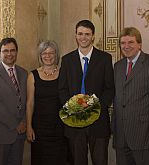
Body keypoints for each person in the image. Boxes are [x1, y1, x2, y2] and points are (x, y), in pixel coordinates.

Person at [58, 19, 115, 165]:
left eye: (87, 34)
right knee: (78, 161)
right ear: (75, 35)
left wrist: (94, 108)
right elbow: (62, 89)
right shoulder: (66, 60)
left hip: (98, 121)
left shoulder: (105, 58)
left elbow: (110, 89)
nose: (83, 37)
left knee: (100, 161)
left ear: (93, 36)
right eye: (80, 34)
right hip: (74, 121)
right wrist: (73, 108)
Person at [112, 27, 149, 165]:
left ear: (139, 44)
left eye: (130, 42)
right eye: (123, 43)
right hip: (121, 135)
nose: (126, 46)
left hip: (144, 134)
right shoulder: (117, 66)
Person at [0, 37, 27, 165]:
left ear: (17, 52)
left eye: (12, 50)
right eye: (5, 51)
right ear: (0, 53)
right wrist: (16, 125)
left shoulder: (24, 73)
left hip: (19, 136)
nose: (9, 54)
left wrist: (24, 122)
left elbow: (27, 101)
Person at [26, 40, 67, 165]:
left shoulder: (64, 73)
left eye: (51, 53)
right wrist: (29, 126)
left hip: (60, 128)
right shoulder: (32, 75)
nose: (48, 56)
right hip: (39, 129)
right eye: (44, 53)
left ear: (56, 55)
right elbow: (30, 103)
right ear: (40, 55)